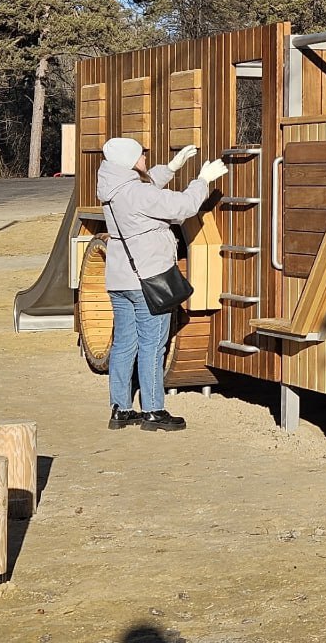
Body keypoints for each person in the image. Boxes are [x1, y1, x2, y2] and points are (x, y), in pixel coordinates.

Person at [98, 137, 228, 432]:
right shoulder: (136, 192)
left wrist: (170, 167)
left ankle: (120, 408)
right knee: (153, 346)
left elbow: (145, 187)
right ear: (130, 162)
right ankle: (154, 410)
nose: (145, 157)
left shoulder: (112, 186)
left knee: (124, 344)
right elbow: (183, 206)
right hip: (148, 279)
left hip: (120, 279)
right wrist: (202, 180)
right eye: (141, 155)